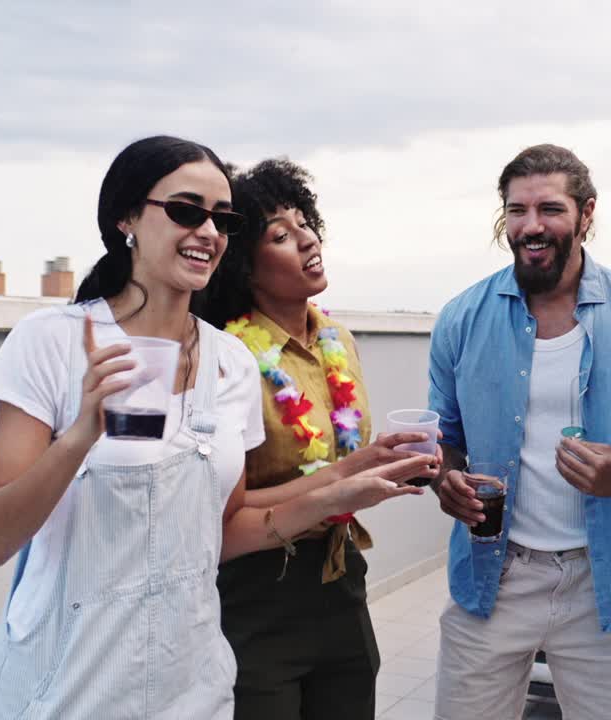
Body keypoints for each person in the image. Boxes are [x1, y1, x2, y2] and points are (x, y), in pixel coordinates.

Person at [0, 137, 432, 719]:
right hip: (68, 681)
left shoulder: (229, 361)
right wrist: (79, 438)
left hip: (193, 683)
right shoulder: (53, 343)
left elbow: (227, 530)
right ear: (126, 218)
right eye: (187, 210)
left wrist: (344, 488)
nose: (209, 231)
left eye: (224, 218)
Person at [428, 144, 611, 720]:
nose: (531, 226)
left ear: (587, 214)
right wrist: (447, 479)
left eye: (550, 209)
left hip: (603, 581)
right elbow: (444, 437)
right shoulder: (462, 318)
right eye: (517, 211)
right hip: (494, 574)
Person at [200, 157, 438, 720]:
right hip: (258, 591)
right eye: (281, 235)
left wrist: (378, 463)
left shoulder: (337, 337)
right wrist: (338, 489)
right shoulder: (226, 358)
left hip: (341, 579)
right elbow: (216, 510)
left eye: (305, 222)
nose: (306, 238)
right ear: (244, 268)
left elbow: (343, 456)